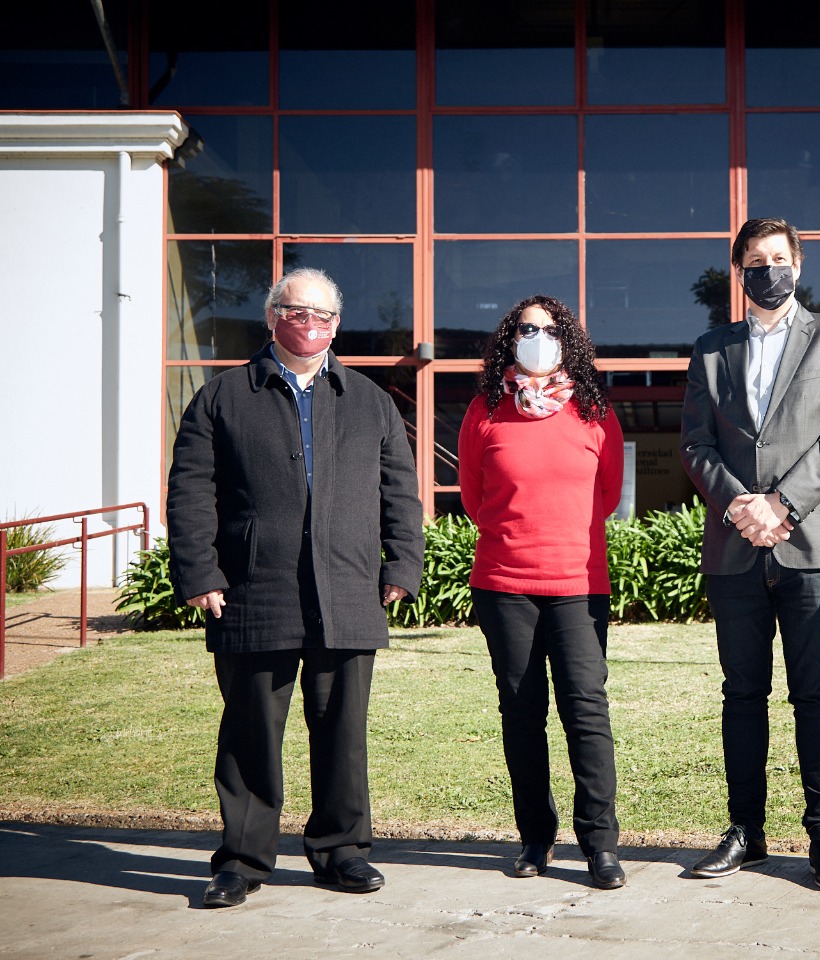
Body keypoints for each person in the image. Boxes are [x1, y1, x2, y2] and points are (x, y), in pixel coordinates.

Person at [167, 267, 425, 908]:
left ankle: (342, 851)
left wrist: (402, 566)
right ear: (272, 317)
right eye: (296, 311)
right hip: (254, 590)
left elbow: (400, 492)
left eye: (322, 314)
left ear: (337, 324)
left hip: (347, 588)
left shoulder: (370, 400)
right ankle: (242, 860)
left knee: (343, 733)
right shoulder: (222, 397)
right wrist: (199, 572)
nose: (309, 324)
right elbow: (191, 490)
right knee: (250, 731)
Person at [680, 218, 820, 890]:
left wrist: (781, 505)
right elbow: (696, 444)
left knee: (815, 694)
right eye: (755, 262)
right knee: (742, 694)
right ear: (739, 272)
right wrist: (741, 505)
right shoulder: (711, 348)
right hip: (735, 548)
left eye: (779, 258)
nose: (769, 271)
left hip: (809, 545)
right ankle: (746, 831)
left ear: (799, 264)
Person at [458, 294, 627, 890]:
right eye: (526, 329)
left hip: (579, 583)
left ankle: (600, 843)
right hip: (505, 585)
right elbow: (474, 496)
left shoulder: (594, 410)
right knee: (521, 713)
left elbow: (607, 495)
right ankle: (535, 836)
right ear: (510, 338)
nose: (537, 337)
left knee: (586, 710)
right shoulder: (484, 410)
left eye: (549, 330)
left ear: (567, 340)